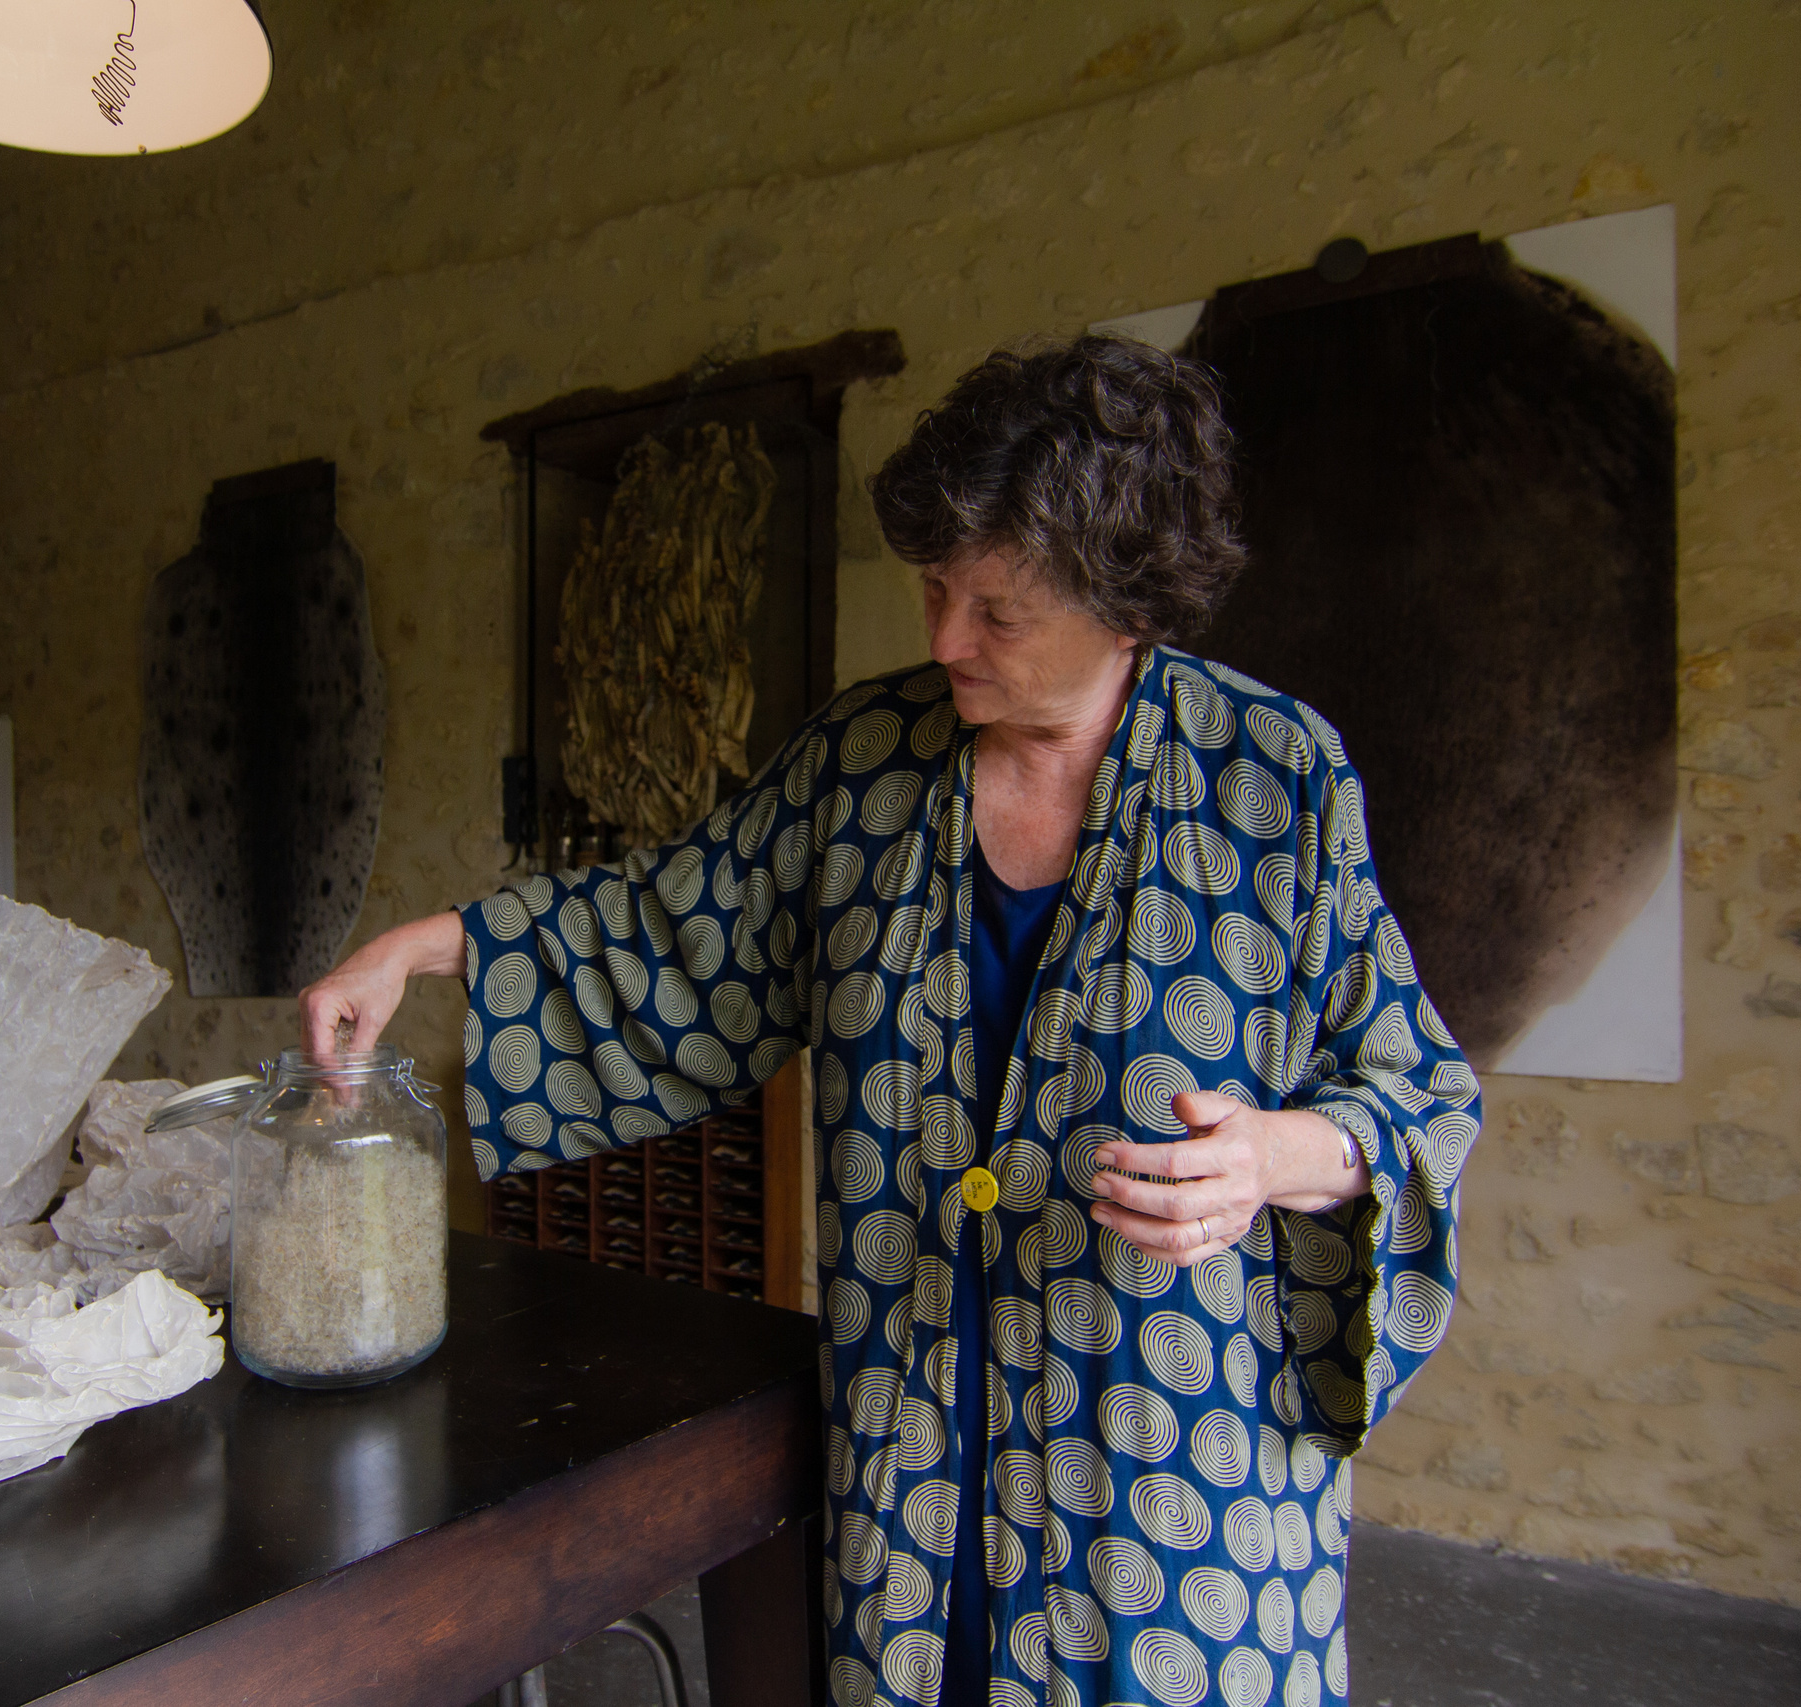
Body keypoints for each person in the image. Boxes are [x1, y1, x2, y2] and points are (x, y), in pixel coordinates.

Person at [302, 334, 1479, 1707]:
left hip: (1167, 1496)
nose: (944, 640)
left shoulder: (1275, 782)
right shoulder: (862, 765)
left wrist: (1274, 1158)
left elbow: (1418, 1092)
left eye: (997, 612)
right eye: (933, 590)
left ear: (1125, 605)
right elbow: (674, 933)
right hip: (918, 1458)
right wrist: (425, 947)